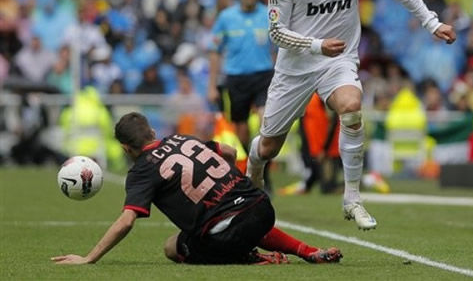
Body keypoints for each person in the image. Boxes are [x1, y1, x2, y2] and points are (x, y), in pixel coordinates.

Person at [246, 0, 456, 231]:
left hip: (338, 60)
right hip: (296, 67)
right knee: (270, 145)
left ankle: (352, 199)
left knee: (352, 105)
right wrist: (317, 45)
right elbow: (276, 32)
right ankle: (253, 170)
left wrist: (431, 23)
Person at [51, 112, 343, 265]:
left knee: (171, 246)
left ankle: (251, 257)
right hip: (262, 206)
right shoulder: (182, 138)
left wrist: (89, 258)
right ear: (152, 132)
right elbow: (228, 151)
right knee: (243, 216)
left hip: (226, 231)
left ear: (127, 149)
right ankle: (307, 250)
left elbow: (127, 220)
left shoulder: (141, 171)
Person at [208, 0, 275, 152]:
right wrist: (212, 85)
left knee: (265, 119)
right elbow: (214, 50)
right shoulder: (226, 18)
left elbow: (279, 48)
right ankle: (250, 162)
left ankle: (263, 168)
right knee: (242, 130)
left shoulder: (269, 15)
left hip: (264, 76)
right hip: (236, 78)